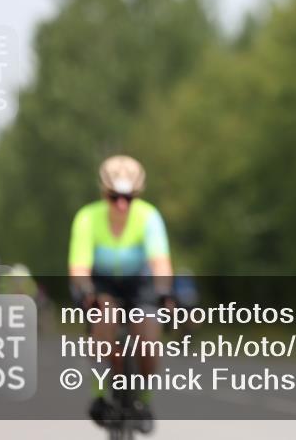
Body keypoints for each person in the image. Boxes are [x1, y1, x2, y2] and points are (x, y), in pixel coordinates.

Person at [68, 155, 174, 433]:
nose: (122, 203)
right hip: (100, 282)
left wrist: (164, 293)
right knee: (104, 318)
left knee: (149, 336)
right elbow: (78, 267)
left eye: (129, 196)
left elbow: (160, 262)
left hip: (138, 283)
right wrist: (86, 291)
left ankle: (144, 401)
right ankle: (101, 393)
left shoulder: (148, 216)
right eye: (114, 196)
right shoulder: (87, 217)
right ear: (104, 193)